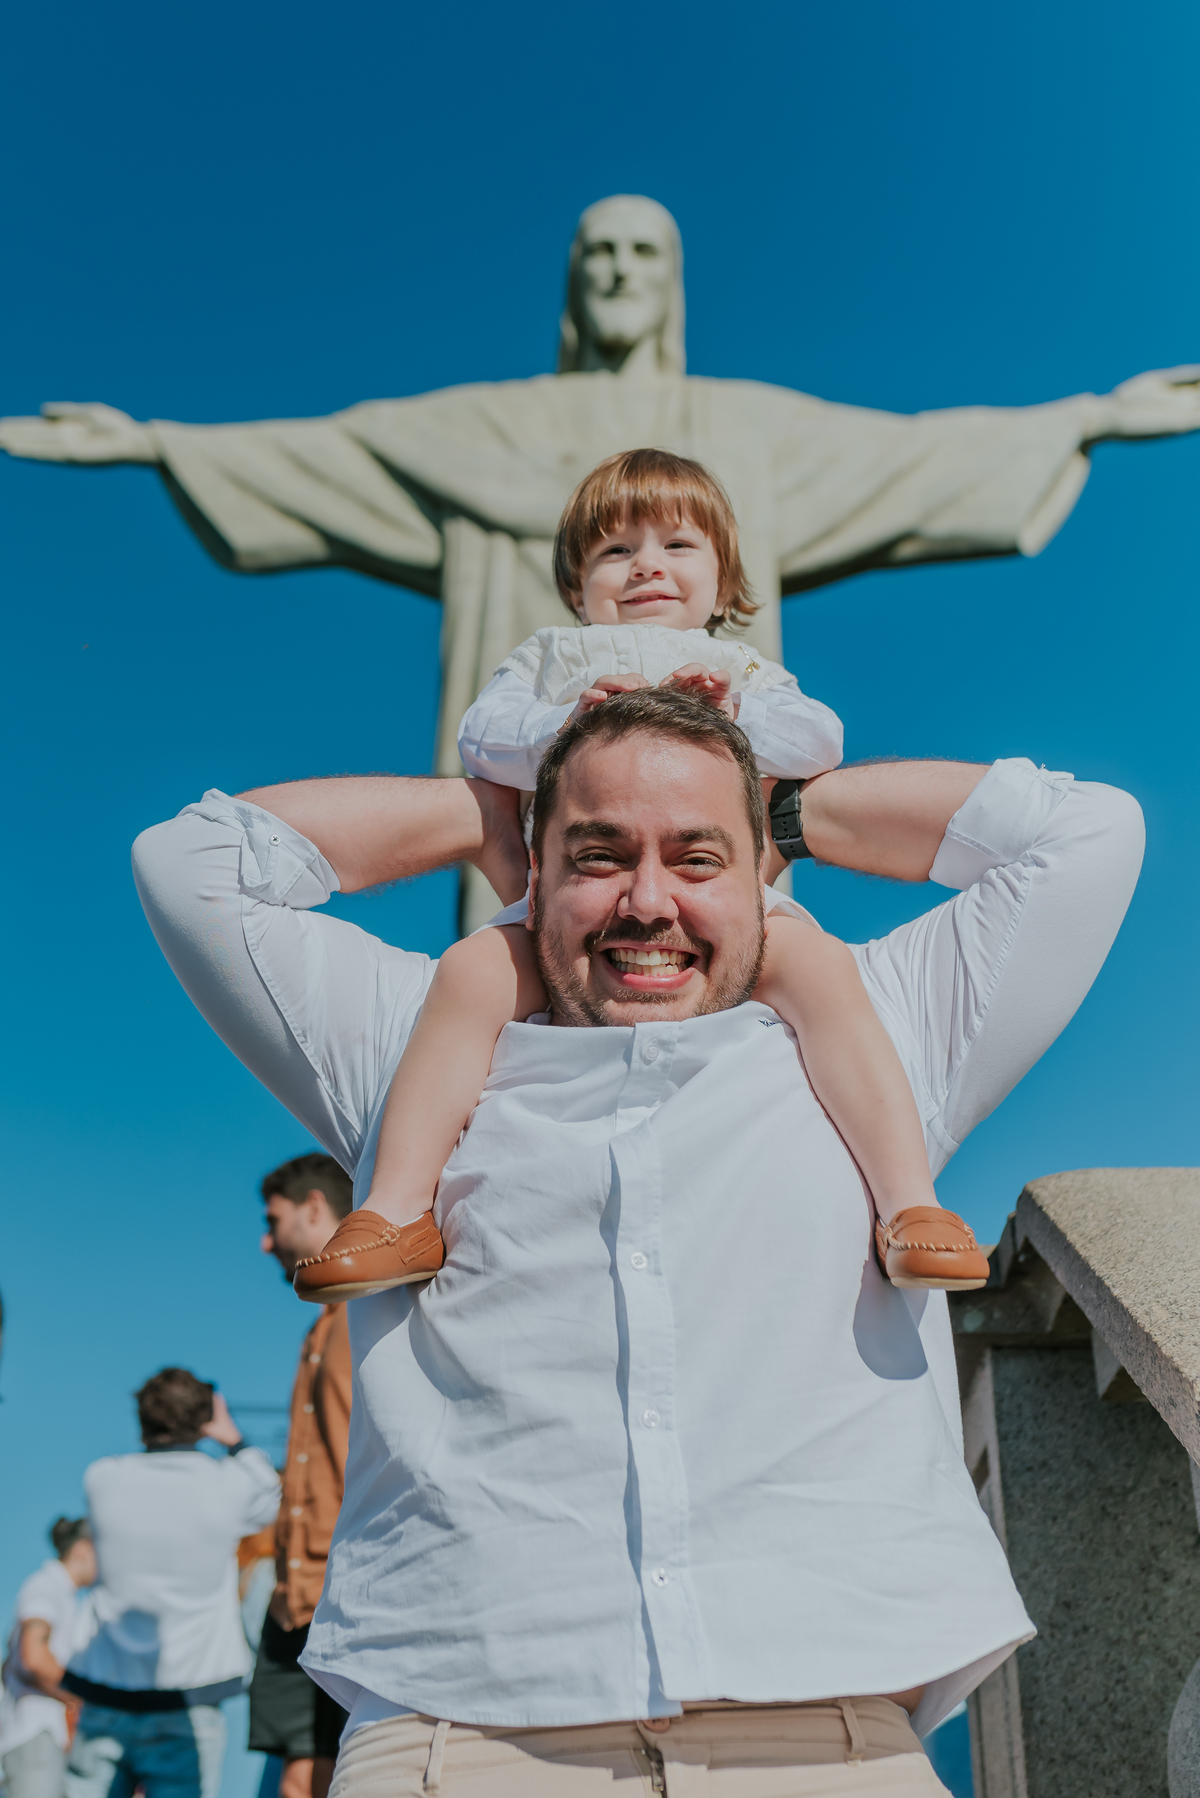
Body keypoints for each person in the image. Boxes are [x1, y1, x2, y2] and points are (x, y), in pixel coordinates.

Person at [131, 705, 1143, 1793]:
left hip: (827, 1737)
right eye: (597, 854)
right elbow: (186, 863)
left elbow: (1089, 833)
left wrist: (785, 810)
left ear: (762, 876)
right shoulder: (416, 1038)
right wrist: (491, 809)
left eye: (696, 856)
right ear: (535, 875)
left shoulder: (879, 1030)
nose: (647, 900)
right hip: (459, 1743)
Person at [302, 449, 988, 1304]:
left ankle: (907, 1203)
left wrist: (733, 713)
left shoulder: (739, 668)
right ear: (576, 582)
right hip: (565, 907)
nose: (647, 566)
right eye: (615, 551)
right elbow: (483, 736)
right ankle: (398, 1207)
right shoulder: (554, 656)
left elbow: (819, 741)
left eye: (677, 545)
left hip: (726, 909)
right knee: (471, 974)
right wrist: (570, 716)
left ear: (724, 578)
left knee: (824, 976)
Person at [63, 1369, 280, 1798]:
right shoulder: (227, 1484)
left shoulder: (103, 1478)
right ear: (204, 1421)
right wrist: (233, 1437)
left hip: (104, 1694)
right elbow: (271, 1492)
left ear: (142, 1419)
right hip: (190, 1700)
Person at [249, 1156, 353, 1798]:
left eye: (273, 1220)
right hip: (294, 1602)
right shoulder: (319, 1328)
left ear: (314, 1206)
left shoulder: (379, 1310)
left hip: (348, 1597)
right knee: (297, 1780)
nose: (265, 1241)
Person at [0, 1518, 96, 1798]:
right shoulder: (46, 1586)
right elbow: (32, 1657)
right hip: (35, 1736)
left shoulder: (61, 1594)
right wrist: (85, 1698)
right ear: (83, 1549)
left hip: (42, 1739)